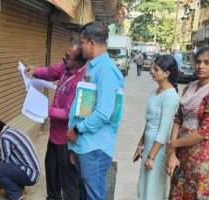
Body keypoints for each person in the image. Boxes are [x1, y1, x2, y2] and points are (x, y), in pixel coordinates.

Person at [66, 21, 124, 200]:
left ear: (91, 43)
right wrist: (75, 147)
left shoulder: (107, 70)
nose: (80, 47)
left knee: (94, 195)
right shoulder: (93, 67)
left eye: (82, 42)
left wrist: (77, 130)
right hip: (85, 146)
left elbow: (103, 113)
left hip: (95, 147)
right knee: (85, 194)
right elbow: (85, 107)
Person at [26, 39, 87, 200]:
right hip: (54, 137)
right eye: (64, 56)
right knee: (52, 177)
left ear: (79, 61)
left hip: (67, 141)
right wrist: (36, 71)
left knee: (68, 184)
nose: (63, 60)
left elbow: (68, 114)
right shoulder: (66, 66)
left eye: (68, 57)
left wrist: (45, 110)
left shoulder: (81, 81)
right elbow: (52, 71)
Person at [167, 46, 209, 200]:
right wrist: (172, 152)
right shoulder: (189, 88)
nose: (201, 66)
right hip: (181, 154)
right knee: (177, 193)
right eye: (198, 62)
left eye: (207, 62)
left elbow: (204, 132)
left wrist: (173, 144)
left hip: (201, 159)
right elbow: (178, 118)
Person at [133, 55, 179, 200]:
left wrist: (151, 156)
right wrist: (140, 146)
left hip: (157, 149)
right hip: (149, 144)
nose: (152, 71)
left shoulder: (171, 96)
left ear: (167, 73)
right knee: (144, 185)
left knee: (153, 188)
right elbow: (149, 122)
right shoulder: (155, 92)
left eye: (156, 69)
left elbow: (164, 130)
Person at [0, 118, 40, 200]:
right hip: (32, 172)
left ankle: (17, 194)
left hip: (30, 175)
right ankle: (18, 187)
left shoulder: (4, 138)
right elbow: (3, 160)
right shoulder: (11, 131)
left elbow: (2, 166)